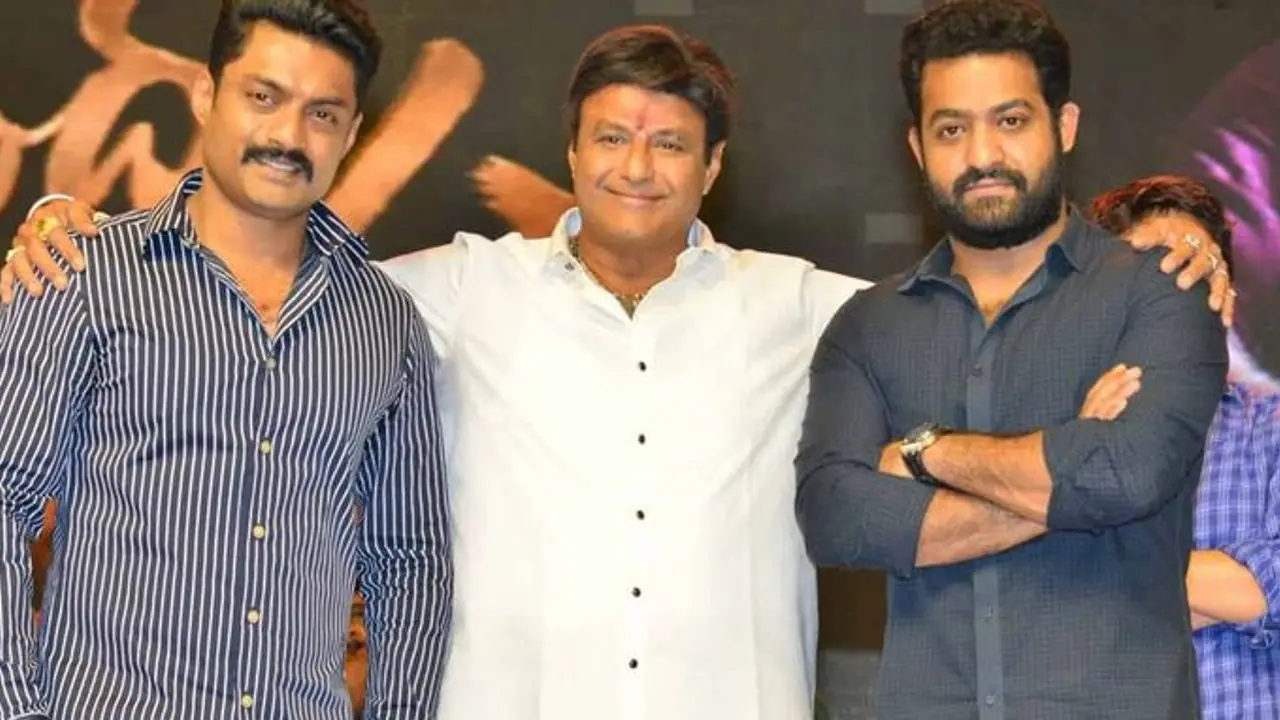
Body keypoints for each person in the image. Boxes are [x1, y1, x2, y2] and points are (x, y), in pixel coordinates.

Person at [0, 22, 1232, 720]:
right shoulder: (442, 292)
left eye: (670, 143)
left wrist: (1170, 263)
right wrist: (67, 221)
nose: (636, 166)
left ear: (711, 168)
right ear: (572, 151)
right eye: (610, 137)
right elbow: (275, 265)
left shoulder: (803, 308)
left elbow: (982, 308)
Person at [0, 0, 451, 717]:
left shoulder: (385, 322)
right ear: (207, 95)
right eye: (263, 97)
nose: (288, 136)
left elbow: (408, 561)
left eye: (322, 113)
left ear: (351, 134)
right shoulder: (82, 275)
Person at [795, 1, 1228, 718]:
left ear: (1064, 126)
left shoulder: (1161, 293)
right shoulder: (869, 327)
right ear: (917, 147)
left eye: (1011, 120)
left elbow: (1124, 474)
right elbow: (837, 519)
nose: (982, 156)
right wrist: (1062, 469)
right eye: (951, 129)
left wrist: (926, 452)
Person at [1091, 174, 1280, 720]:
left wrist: (1107, 580)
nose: (1166, 297)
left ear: (1224, 296)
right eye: (1142, 278)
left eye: (1191, 271)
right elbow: (1029, 605)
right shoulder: (1061, 435)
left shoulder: (1268, 428)